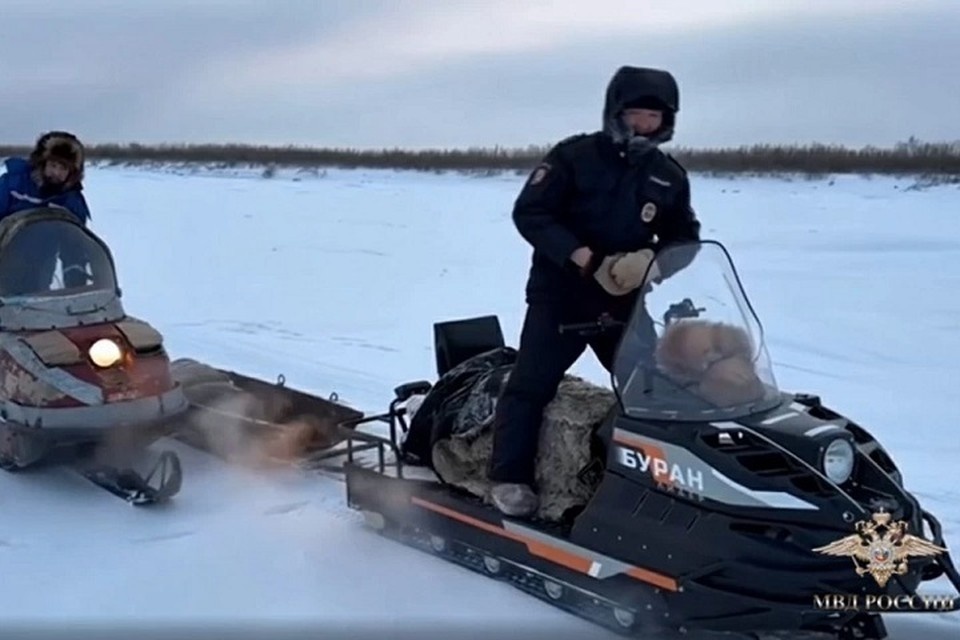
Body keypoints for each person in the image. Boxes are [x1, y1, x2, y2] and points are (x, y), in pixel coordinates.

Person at [486, 65, 702, 517]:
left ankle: (663, 486)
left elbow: (687, 237)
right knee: (531, 386)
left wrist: (652, 263)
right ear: (616, 112)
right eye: (636, 115)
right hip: (560, 295)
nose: (644, 125)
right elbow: (532, 214)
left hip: (623, 302)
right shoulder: (573, 157)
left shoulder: (668, 177)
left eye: (654, 118)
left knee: (651, 390)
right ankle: (509, 479)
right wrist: (584, 258)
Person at [0, 131, 91, 224]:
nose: (56, 172)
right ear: (42, 165)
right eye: (53, 165)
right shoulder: (13, 185)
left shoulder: (73, 202)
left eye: (63, 168)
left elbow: (75, 235)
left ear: (71, 173)